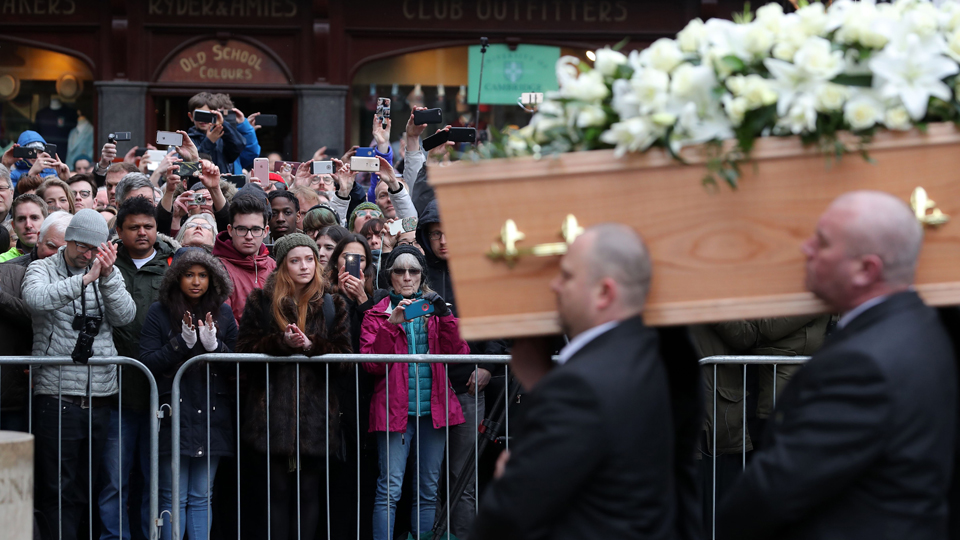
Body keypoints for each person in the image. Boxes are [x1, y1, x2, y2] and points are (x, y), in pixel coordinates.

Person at [717, 191, 959, 540]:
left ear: (866, 270)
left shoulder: (862, 365)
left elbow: (777, 488)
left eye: (823, 242)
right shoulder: (919, 326)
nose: (806, 249)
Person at [472, 223, 695, 540]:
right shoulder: (667, 361)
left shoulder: (578, 389)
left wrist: (515, 473)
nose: (554, 286)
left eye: (567, 275)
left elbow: (506, 518)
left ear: (604, 292)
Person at [22, 209, 136, 540]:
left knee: (90, 485)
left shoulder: (106, 271)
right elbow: (35, 299)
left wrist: (107, 275)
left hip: (100, 396)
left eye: (94, 249)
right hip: (57, 395)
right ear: (68, 240)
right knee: (59, 487)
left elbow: (125, 315)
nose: (87, 255)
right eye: (82, 247)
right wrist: (84, 279)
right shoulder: (41, 268)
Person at [236, 233, 352, 540]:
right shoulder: (261, 302)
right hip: (270, 418)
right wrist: (280, 343)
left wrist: (312, 345)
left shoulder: (332, 303)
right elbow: (244, 350)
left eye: (309, 259)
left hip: (314, 418)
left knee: (308, 492)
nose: (304, 266)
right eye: (295, 260)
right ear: (283, 265)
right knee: (276, 492)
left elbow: (345, 358)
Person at [360, 245, 467, 540]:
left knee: (428, 490)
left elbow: (460, 353)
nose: (407, 277)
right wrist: (391, 326)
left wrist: (445, 316)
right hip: (395, 412)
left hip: (432, 411)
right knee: (389, 489)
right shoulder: (375, 315)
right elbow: (370, 364)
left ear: (422, 276)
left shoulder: (436, 309)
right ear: (389, 276)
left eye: (414, 271)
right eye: (399, 271)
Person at [140, 247, 238, 540]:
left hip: (212, 414)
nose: (196, 281)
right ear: (176, 278)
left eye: (203, 275)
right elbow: (146, 363)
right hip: (173, 416)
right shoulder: (159, 312)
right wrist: (179, 345)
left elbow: (238, 366)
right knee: (173, 496)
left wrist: (215, 348)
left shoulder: (224, 312)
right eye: (189, 274)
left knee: (201, 495)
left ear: (213, 278)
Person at [99, 195, 179, 540]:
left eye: (148, 226)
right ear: (119, 230)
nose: (142, 233)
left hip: (159, 390)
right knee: (115, 480)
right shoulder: (105, 263)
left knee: (156, 480)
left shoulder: (173, 265)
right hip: (116, 389)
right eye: (134, 227)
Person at [212, 192, 276, 322]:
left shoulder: (273, 265)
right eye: (241, 229)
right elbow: (226, 322)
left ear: (265, 231)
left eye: (256, 229)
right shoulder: (218, 269)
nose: (249, 236)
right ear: (230, 230)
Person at [186, 92, 245, 174]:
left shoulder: (222, 138)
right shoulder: (187, 140)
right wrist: (209, 141)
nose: (203, 120)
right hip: (198, 184)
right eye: (199, 115)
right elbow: (192, 166)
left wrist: (223, 123)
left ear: (216, 114)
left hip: (222, 184)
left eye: (207, 115)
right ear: (191, 116)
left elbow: (239, 145)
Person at [6, 210, 70, 268]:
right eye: (51, 246)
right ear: (39, 239)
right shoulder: (9, 271)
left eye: (64, 250)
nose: (56, 255)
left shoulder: (79, 276)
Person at [0, 194, 48, 262]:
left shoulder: (61, 257)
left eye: (34, 218)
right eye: (21, 219)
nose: (28, 225)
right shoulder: (2, 262)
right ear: (13, 226)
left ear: (47, 222)